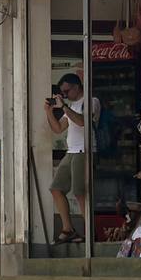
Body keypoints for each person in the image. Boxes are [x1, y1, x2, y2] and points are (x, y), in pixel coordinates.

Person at [44, 72, 100, 245]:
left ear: (77, 87)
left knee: (80, 192)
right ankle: (67, 228)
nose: (65, 95)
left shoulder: (91, 101)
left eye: (67, 91)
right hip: (71, 151)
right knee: (56, 188)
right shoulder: (73, 105)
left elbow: (83, 122)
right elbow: (59, 128)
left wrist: (65, 107)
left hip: (85, 150)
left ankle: (90, 232)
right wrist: (49, 111)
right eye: (63, 92)